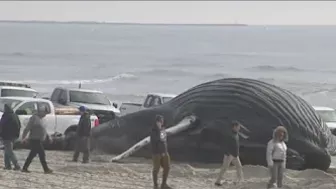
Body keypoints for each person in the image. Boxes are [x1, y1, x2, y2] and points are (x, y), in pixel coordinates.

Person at [21, 105, 53, 174]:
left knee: (32, 155)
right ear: (41, 112)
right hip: (34, 139)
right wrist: (23, 138)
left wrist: (48, 136)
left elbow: (44, 129)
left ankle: (24, 168)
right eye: (44, 113)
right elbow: (27, 128)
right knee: (42, 154)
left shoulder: (42, 119)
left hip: (39, 139)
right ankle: (46, 169)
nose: (45, 115)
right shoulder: (34, 118)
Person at [215, 120, 244, 186]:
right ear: (234, 127)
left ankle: (239, 181)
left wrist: (237, 154)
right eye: (238, 127)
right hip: (229, 155)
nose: (239, 128)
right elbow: (225, 145)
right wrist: (228, 154)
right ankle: (218, 181)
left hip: (235, 155)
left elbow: (236, 145)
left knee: (239, 167)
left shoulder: (236, 134)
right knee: (225, 168)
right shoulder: (229, 135)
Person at [150, 115, 172, 189]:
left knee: (167, 167)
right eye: (159, 121)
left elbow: (163, 140)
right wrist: (160, 152)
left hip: (164, 151)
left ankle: (163, 184)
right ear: (156, 122)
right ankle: (155, 185)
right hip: (156, 153)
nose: (161, 123)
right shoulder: (153, 131)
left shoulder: (162, 130)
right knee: (156, 169)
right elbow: (156, 142)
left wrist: (164, 151)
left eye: (161, 121)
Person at [0, 104, 21, 170]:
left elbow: (1, 125)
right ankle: (7, 165)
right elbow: (19, 125)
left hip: (7, 136)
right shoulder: (15, 115)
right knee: (7, 151)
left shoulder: (6, 116)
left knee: (9, 151)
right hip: (14, 136)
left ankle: (16, 165)